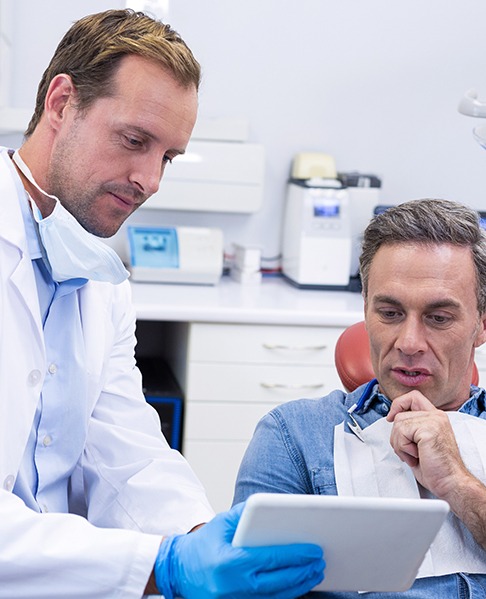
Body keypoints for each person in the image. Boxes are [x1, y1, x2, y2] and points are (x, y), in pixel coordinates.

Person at [0, 9, 325, 598]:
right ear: (61, 102)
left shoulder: (101, 275)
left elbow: (125, 447)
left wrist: (200, 536)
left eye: (168, 157)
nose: (150, 180)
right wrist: (163, 566)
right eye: (134, 141)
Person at [233, 197, 486, 598]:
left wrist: (458, 483)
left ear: (482, 323)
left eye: (439, 318)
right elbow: (248, 586)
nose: (409, 343)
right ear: (364, 308)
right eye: (389, 313)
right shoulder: (295, 436)